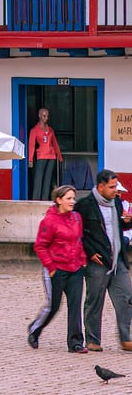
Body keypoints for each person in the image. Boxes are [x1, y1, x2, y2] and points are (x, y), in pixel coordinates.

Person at [75, 169, 132, 351]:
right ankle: (93, 340)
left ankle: (125, 338)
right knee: (95, 301)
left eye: (116, 186)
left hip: (118, 259)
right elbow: (77, 232)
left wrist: (128, 222)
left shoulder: (116, 202)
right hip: (97, 261)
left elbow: (118, 227)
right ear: (100, 187)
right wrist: (89, 252)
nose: (116, 190)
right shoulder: (85, 205)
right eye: (112, 187)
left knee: (127, 297)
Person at [33, 184, 92, 351]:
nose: (72, 201)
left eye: (73, 198)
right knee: (54, 306)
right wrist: (51, 267)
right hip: (56, 269)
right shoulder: (49, 221)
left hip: (75, 268)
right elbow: (40, 246)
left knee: (75, 305)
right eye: (68, 198)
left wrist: (82, 260)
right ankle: (35, 330)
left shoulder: (77, 218)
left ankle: (75, 343)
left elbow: (79, 240)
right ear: (58, 200)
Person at [30, 106, 64, 200]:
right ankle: (35, 200)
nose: (46, 118)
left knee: (48, 180)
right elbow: (31, 145)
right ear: (39, 116)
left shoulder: (50, 130)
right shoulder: (35, 130)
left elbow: (55, 143)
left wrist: (59, 156)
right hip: (41, 156)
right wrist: (30, 159)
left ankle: (44, 199)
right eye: (44, 116)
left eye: (47, 116)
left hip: (51, 156)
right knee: (38, 179)